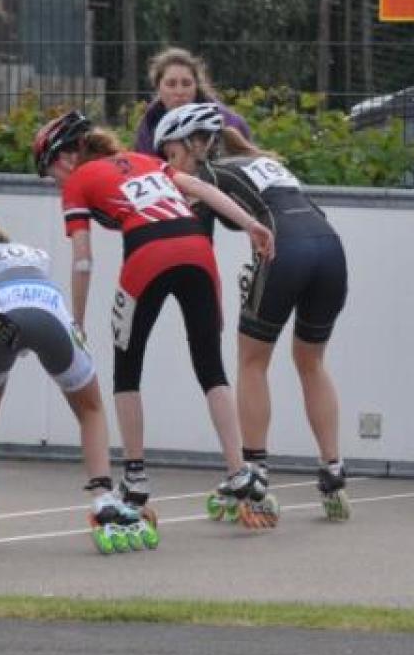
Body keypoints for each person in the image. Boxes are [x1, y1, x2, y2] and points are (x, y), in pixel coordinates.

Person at [33, 110, 277, 525]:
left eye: (49, 170)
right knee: (211, 366)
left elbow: (83, 261)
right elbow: (199, 187)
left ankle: (135, 477)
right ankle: (239, 471)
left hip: (147, 254)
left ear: (67, 156)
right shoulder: (144, 159)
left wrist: (77, 320)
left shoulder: (77, 181)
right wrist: (252, 224)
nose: (52, 180)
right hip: (197, 249)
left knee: (127, 368)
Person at [153, 103, 352, 525]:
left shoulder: (207, 173)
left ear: (198, 144)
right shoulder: (261, 163)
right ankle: (333, 471)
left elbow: (194, 235)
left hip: (286, 252)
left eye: (172, 155)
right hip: (330, 250)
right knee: (311, 362)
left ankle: (255, 472)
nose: (171, 166)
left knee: (251, 361)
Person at [0, 200, 156, 556]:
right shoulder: (32, 251)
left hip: (0, 316)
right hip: (51, 313)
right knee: (90, 409)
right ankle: (103, 497)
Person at [132, 47, 253, 156]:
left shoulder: (228, 121)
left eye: (186, 84)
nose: (179, 92)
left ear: (196, 86)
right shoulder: (148, 127)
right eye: (171, 84)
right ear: (158, 87)